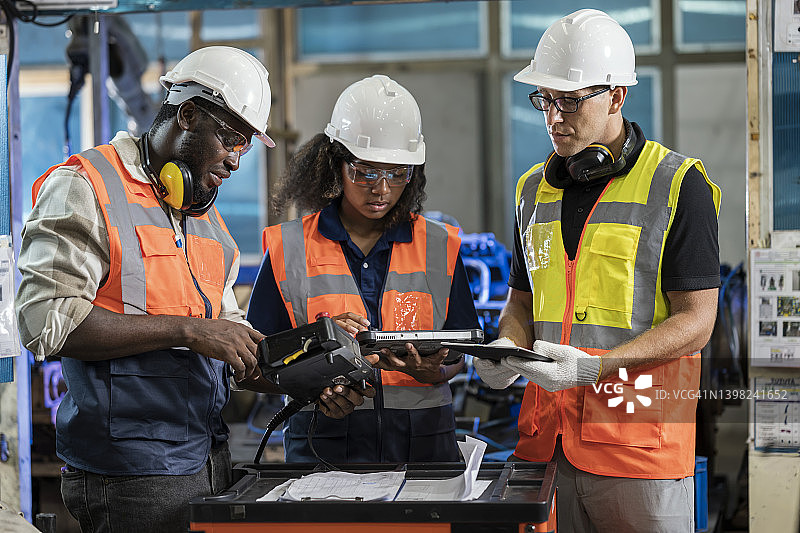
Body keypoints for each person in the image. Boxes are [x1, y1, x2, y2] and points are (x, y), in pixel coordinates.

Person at [15, 46, 367, 533]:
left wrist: (310, 372)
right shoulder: (87, 186)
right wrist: (189, 330)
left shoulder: (205, 220)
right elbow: (44, 324)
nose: (237, 161)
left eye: (245, 146)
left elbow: (229, 344)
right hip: (129, 473)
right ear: (187, 114)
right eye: (231, 139)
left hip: (208, 459)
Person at [473, 10, 721, 533]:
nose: (553, 117)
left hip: (639, 449)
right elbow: (523, 302)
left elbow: (698, 322)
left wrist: (596, 367)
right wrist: (505, 351)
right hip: (546, 444)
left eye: (569, 100)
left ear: (616, 96)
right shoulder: (531, 190)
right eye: (545, 99)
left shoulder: (677, 185)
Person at [247, 74, 480, 464]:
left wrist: (433, 372)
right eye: (366, 172)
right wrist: (317, 368)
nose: (382, 189)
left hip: (423, 454)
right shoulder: (288, 248)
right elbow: (255, 364)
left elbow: (459, 352)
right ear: (335, 164)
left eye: (397, 173)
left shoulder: (441, 246)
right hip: (322, 453)